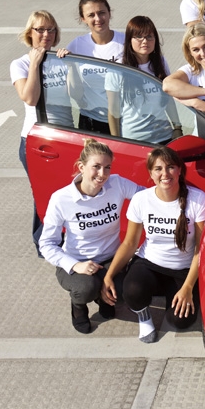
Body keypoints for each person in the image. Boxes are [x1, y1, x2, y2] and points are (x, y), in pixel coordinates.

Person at [101, 147, 205, 343]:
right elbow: (130, 243)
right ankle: (144, 317)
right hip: (150, 263)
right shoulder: (141, 199)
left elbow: (200, 249)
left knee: (180, 321)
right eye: (158, 169)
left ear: (179, 170)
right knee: (132, 290)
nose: (165, 173)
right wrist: (109, 275)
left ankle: (172, 291)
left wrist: (188, 287)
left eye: (170, 167)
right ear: (151, 174)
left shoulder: (197, 199)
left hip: (183, 269)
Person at [38, 139, 141, 334]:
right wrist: (75, 265)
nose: (102, 174)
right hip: (77, 262)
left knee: (126, 292)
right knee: (85, 288)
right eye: (96, 167)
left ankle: (103, 297)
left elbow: (148, 198)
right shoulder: (61, 199)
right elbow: (47, 244)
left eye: (107, 167)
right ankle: (78, 306)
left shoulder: (117, 184)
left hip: (111, 259)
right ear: (81, 167)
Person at [11, 10, 73, 254]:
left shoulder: (61, 60)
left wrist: (71, 65)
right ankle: (43, 243)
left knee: (67, 192)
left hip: (64, 138)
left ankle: (65, 239)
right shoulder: (20, 64)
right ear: (30, 33)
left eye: (51, 30)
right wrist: (36, 63)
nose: (46, 34)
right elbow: (30, 97)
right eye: (40, 29)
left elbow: (78, 96)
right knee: (44, 194)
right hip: (38, 141)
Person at [105, 16, 182, 144]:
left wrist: (177, 127)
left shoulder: (160, 62)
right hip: (134, 139)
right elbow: (113, 111)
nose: (145, 41)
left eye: (149, 36)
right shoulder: (117, 69)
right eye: (139, 37)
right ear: (129, 40)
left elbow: (168, 99)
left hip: (164, 134)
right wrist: (117, 141)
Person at [61, 0, 126, 135]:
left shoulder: (126, 42)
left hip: (125, 120)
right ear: (83, 19)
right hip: (91, 122)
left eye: (102, 13)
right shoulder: (76, 46)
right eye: (91, 15)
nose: (98, 19)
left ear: (109, 13)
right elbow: (71, 89)